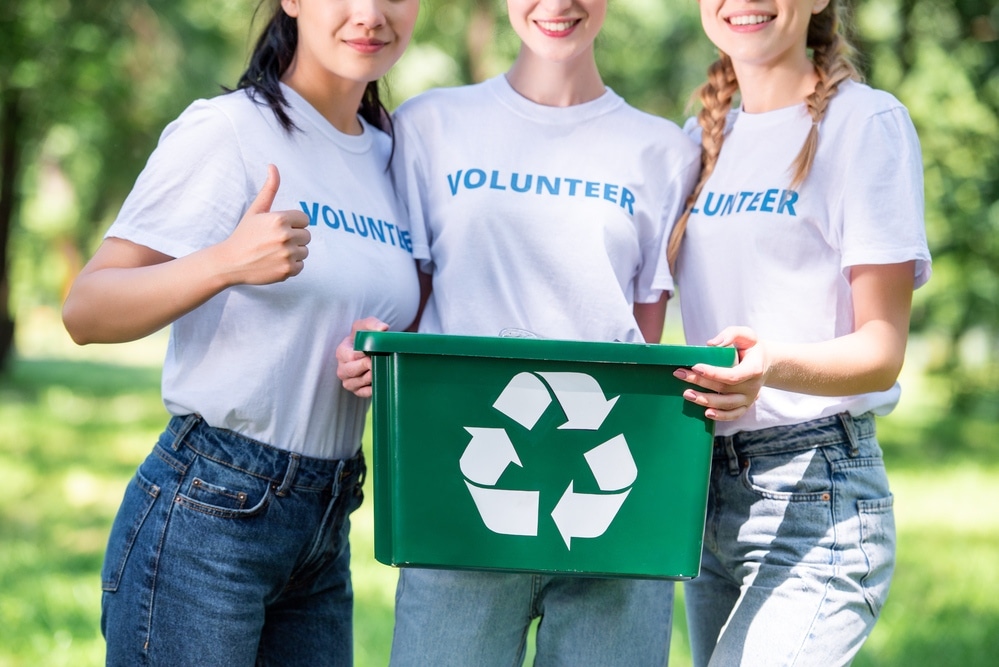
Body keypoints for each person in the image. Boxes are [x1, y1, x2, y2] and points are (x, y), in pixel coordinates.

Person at [337, 1, 755, 664]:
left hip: (611, 508)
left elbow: (640, 349)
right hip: (458, 500)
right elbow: (406, 299)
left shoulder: (662, 150)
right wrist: (371, 338)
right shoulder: (430, 125)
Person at [61, 0, 421, 664]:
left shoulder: (394, 156)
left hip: (325, 521)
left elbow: (395, 311)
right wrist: (223, 262)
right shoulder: (228, 131)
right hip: (210, 513)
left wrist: (384, 352)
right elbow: (85, 308)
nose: (369, 14)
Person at [666, 0, 932, 665]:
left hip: (814, 492)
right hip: (701, 489)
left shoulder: (865, 124)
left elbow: (881, 351)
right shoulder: (697, 138)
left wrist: (768, 365)